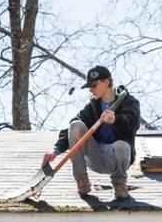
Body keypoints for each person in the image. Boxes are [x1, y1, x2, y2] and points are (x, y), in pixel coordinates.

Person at [42, 65, 141, 200]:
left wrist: (115, 119)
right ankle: (82, 180)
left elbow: (133, 124)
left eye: (94, 85)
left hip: (117, 157)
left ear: (106, 82)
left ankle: (119, 184)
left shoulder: (128, 102)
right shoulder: (92, 107)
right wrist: (56, 150)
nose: (90, 90)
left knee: (121, 146)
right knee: (75, 125)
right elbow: (72, 130)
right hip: (94, 155)